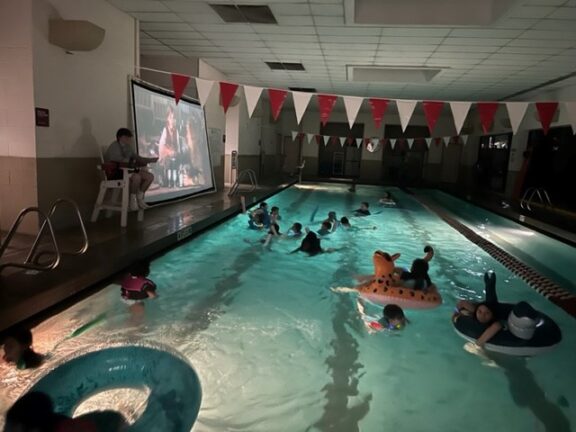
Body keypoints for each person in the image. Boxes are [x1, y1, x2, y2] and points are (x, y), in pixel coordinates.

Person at [104, 128, 158, 210]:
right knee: (137, 177)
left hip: (129, 171)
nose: (128, 139)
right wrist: (131, 162)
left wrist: (150, 160)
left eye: (129, 138)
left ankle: (140, 198)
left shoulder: (128, 147)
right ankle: (132, 199)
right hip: (116, 173)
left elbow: (137, 158)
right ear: (120, 137)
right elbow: (117, 161)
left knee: (150, 177)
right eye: (126, 137)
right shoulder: (114, 146)